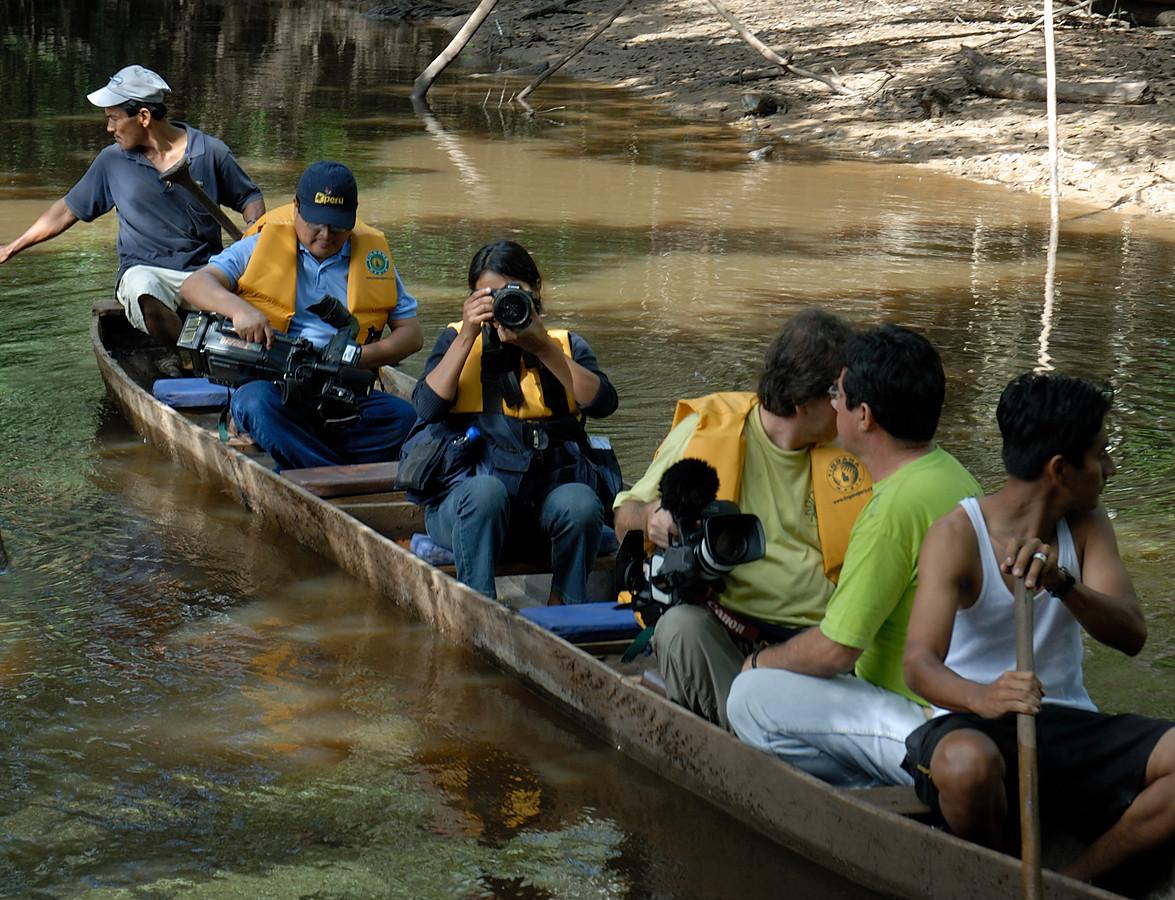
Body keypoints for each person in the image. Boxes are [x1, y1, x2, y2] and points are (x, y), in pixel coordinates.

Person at [902, 372, 1175, 885]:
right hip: (971, 724)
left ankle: (1070, 888)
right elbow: (919, 665)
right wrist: (985, 697)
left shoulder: (1087, 525)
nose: (1111, 468)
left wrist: (1063, 583)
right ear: (1060, 468)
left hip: (1064, 723)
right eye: (1100, 454)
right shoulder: (956, 534)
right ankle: (998, 880)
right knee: (969, 766)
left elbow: (1131, 634)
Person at [726, 325, 980, 784]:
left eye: (836, 393)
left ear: (863, 416)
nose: (833, 404)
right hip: (962, 705)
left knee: (749, 695)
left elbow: (836, 652)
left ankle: (867, 789)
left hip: (926, 720)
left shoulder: (890, 509)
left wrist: (760, 661)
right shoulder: (952, 475)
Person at [614, 309, 871, 728]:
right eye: (840, 392)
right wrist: (652, 517)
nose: (853, 403)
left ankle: (790, 736)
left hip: (830, 641)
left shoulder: (860, 443)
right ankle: (752, 743)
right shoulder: (709, 428)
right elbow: (624, 518)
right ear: (800, 403)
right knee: (679, 627)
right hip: (728, 635)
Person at [406, 239, 619, 604]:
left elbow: (602, 404)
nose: (503, 304)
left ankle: (565, 610)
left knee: (581, 502)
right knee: (485, 493)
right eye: (489, 296)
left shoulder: (563, 345)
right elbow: (426, 408)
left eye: (513, 293)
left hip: (541, 509)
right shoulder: (457, 339)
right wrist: (469, 334)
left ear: (536, 291)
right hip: (467, 508)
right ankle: (480, 608)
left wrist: (541, 348)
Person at [178, 160, 422, 469]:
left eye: (337, 225)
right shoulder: (258, 246)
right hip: (275, 387)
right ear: (296, 208)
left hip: (340, 388)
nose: (325, 235)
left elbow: (412, 335)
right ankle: (331, 472)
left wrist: (359, 357)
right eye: (316, 223)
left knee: (406, 418)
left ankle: (305, 457)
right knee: (254, 404)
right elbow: (195, 284)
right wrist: (240, 310)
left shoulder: (373, 259)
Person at [0, 64, 264, 346]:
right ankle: (188, 358)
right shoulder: (112, 162)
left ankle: (211, 351)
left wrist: (252, 233)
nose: (109, 128)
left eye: (114, 118)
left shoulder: (209, 152)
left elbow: (249, 199)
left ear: (144, 117)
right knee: (142, 289)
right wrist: (11, 248)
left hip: (205, 271)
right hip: (145, 270)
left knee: (250, 316)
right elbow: (66, 210)